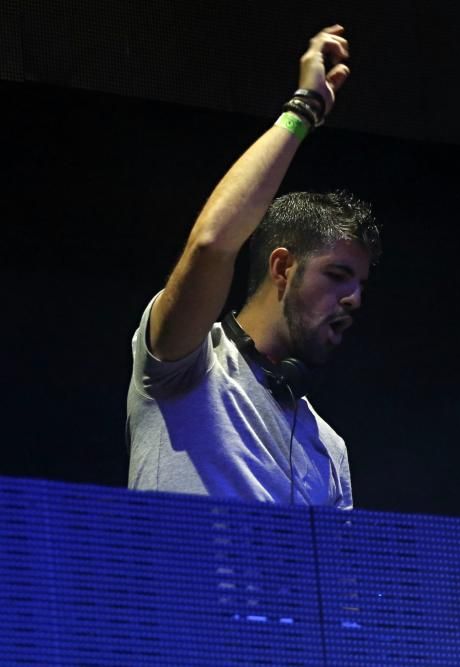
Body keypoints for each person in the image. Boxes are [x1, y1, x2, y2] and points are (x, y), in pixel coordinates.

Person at [126, 25, 380, 506]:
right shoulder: (187, 365)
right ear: (282, 268)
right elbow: (210, 244)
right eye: (337, 275)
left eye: (361, 284)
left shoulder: (329, 451)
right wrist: (304, 109)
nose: (354, 299)